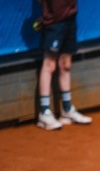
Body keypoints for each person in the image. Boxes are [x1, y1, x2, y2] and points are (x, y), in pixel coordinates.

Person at [36, 0, 92, 130]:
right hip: (54, 23)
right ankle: (44, 112)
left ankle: (67, 110)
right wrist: (48, 13)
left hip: (70, 19)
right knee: (50, 65)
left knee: (66, 65)